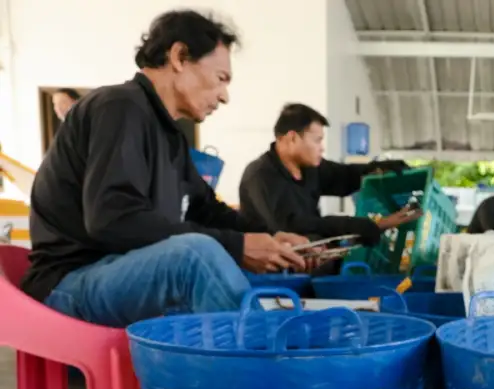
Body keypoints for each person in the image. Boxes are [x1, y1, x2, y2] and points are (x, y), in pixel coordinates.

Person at [21, 10, 310, 328]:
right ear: (179, 56)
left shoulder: (170, 136)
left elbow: (206, 210)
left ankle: (269, 340)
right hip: (70, 282)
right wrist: (237, 246)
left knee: (230, 264)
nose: (224, 96)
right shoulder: (119, 107)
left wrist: (268, 239)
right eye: (221, 79)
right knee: (194, 255)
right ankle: (269, 352)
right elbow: (113, 220)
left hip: (114, 272)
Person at [239, 103, 417, 246]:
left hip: (311, 256)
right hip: (274, 271)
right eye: (317, 140)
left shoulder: (309, 168)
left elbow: (344, 176)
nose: (322, 148)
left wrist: (377, 169)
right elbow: (291, 227)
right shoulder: (260, 177)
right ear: (292, 138)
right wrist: (358, 225)